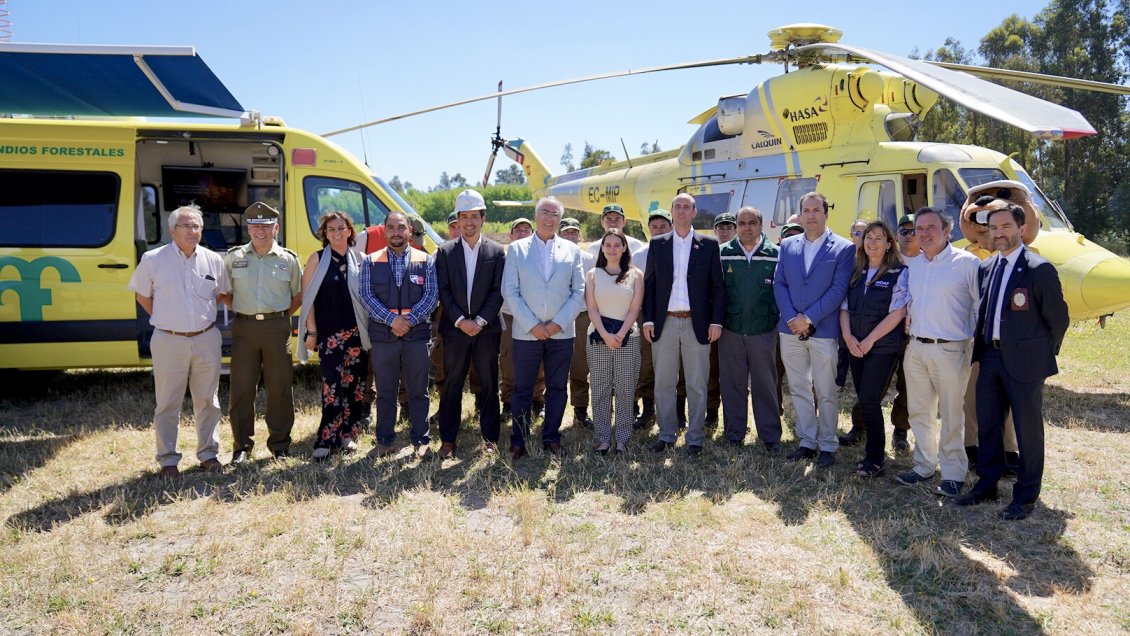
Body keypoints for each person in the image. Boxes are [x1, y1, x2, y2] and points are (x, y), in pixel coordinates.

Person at [957, 203, 1069, 520]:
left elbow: (1058, 318)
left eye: (1006, 226)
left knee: (1027, 431)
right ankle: (987, 485)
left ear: (1021, 229)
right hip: (990, 357)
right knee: (988, 425)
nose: (999, 233)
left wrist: (1041, 355)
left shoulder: (1038, 269)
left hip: (1025, 364)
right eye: (994, 228)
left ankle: (1025, 497)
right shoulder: (987, 268)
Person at [128, 205, 230, 477]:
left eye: (196, 226)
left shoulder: (213, 260)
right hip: (168, 340)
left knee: (208, 400)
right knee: (168, 402)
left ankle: (209, 454)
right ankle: (168, 460)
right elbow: (142, 295)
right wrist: (166, 318)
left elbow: (219, 294)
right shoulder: (153, 259)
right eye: (186, 226)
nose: (192, 231)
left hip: (206, 338)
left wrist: (198, 318)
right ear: (172, 230)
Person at [897, 207, 981, 498]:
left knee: (951, 415)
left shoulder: (967, 263)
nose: (924, 233)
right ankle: (923, 465)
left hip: (952, 350)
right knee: (920, 411)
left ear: (948, 232)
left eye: (931, 227)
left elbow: (979, 306)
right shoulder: (913, 265)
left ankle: (954, 474)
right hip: (916, 348)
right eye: (919, 228)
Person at [501, 196, 586, 458]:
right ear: (537, 216)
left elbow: (579, 290)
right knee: (523, 388)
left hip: (561, 333)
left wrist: (558, 323)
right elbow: (510, 291)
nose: (550, 218)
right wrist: (533, 325)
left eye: (555, 215)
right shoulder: (517, 249)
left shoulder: (572, 251)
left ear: (560, 220)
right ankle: (519, 439)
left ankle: (551, 436)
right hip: (527, 333)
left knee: (558, 387)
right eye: (545, 213)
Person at [774, 192, 854, 467]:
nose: (811, 215)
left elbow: (837, 290)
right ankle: (807, 441)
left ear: (826, 213)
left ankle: (828, 444)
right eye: (806, 210)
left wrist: (807, 319)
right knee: (798, 388)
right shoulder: (788, 245)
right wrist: (791, 319)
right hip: (790, 331)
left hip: (823, 331)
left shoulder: (844, 248)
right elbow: (779, 283)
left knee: (825, 390)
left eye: (816, 210)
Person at [642, 193, 725, 456]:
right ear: (672, 210)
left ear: (694, 212)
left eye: (686, 207)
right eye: (677, 206)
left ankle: (695, 437)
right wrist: (648, 320)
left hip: (696, 323)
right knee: (664, 382)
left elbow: (718, 288)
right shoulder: (658, 244)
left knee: (697, 383)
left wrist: (716, 322)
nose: (681, 211)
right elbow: (650, 285)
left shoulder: (709, 245)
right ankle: (667, 435)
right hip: (665, 322)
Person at [224, 202, 302, 462]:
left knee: (279, 388)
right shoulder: (234, 258)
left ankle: (280, 445)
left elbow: (298, 295)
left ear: (276, 228)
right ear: (248, 228)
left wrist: (278, 316)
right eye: (255, 226)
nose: (261, 231)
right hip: (244, 328)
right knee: (242, 388)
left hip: (277, 328)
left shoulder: (288, 260)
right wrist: (240, 310)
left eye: (266, 226)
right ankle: (241, 447)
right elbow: (225, 292)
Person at [358, 211, 439, 459]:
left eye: (401, 227)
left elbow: (432, 296)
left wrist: (410, 321)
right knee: (385, 391)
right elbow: (366, 296)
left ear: (409, 231)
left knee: (418, 390)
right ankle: (384, 440)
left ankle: (421, 439)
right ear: (384, 231)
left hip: (416, 336)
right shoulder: (371, 261)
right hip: (384, 336)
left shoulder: (425, 260)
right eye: (391, 227)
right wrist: (393, 320)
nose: (396, 232)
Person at [434, 190, 506, 458]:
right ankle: (448, 440)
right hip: (455, 331)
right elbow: (443, 291)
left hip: (487, 331)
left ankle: (490, 439)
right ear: (458, 219)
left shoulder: (497, 252)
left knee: (489, 384)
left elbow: (498, 291)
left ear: (483, 218)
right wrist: (462, 321)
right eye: (464, 217)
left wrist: (480, 320)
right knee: (451, 384)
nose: (469, 222)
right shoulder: (444, 252)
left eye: (474, 216)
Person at [839, 213, 917, 451]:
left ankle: (875, 456)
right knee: (864, 398)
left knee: (871, 401)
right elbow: (844, 308)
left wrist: (870, 340)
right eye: (868, 237)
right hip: (855, 345)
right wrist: (848, 337)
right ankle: (869, 448)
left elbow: (898, 313)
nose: (872, 242)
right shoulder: (855, 271)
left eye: (878, 238)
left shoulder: (898, 272)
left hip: (881, 347)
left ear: (889, 244)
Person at [298, 211, 371, 461]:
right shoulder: (317, 260)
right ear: (325, 234)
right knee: (332, 389)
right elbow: (308, 300)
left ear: (350, 231)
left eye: (342, 228)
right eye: (332, 229)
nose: (337, 233)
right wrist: (312, 331)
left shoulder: (361, 258)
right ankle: (326, 440)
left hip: (357, 335)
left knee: (355, 388)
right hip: (329, 337)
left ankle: (347, 436)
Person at [718, 207, 781, 451]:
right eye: (742, 223)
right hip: (731, 329)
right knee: (732, 384)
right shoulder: (723, 253)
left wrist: (774, 316)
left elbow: (781, 289)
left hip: (763, 329)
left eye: (751, 222)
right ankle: (734, 433)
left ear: (761, 224)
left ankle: (770, 436)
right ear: (735, 226)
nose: (747, 227)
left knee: (765, 384)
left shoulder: (775, 254)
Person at [585, 229, 644, 454]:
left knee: (625, 388)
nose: (612, 249)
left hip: (627, 339)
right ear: (602, 248)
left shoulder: (635, 274)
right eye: (607, 245)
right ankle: (603, 438)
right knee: (599, 388)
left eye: (617, 245)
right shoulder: (593, 274)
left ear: (624, 247)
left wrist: (619, 334)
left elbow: (634, 308)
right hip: (598, 338)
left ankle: (622, 438)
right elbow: (592, 308)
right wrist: (606, 335)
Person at [499, 217, 545, 418]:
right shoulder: (502, 258)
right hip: (510, 316)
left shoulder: (540, 257)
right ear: (511, 235)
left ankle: (537, 400)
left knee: (539, 360)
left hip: (536, 317)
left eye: (527, 229)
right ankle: (508, 402)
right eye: (518, 230)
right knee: (508, 361)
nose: (522, 233)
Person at [632, 209, 673, 430]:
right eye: (654, 226)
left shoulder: (679, 249)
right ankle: (648, 410)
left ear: (672, 227)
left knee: (677, 366)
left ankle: (677, 411)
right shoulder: (640, 254)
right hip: (647, 316)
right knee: (647, 365)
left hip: (674, 314)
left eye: (663, 226)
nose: (658, 230)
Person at [561, 216, 597, 429]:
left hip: (583, 317)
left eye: (574, 232)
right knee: (556, 366)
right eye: (566, 232)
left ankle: (580, 412)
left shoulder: (589, 258)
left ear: (579, 235)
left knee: (580, 367)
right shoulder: (553, 256)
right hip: (558, 316)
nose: (571, 235)